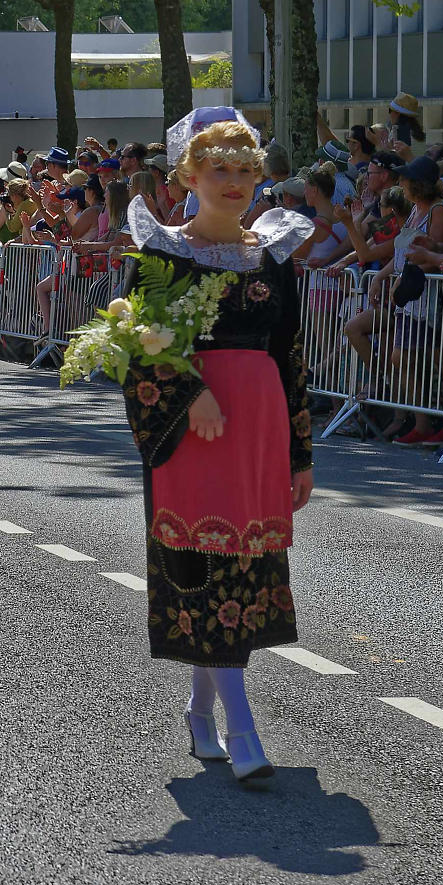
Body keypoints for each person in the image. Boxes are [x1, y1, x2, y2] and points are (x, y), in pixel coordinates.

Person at [110, 120, 314, 782]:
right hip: (192, 432)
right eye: (219, 170)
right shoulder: (164, 252)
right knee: (203, 565)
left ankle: (201, 713)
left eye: (246, 171)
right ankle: (242, 727)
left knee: (242, 569)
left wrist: (300, 454)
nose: (234, 183)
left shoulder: (273, 255)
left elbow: (289, 354)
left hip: (258, 430)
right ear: (188, 177)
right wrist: (188, 391)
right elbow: (135, 343)